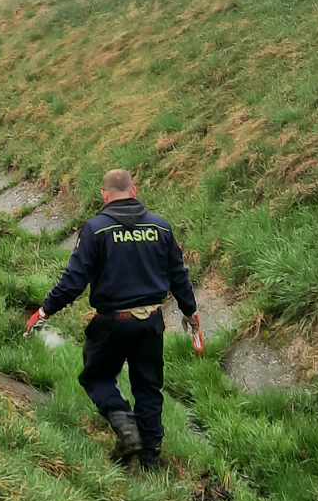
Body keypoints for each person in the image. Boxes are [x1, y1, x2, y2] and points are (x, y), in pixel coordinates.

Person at [26, 169, 203, 468]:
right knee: (148, 387)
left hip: (112, 322)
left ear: (104, 195)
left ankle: (125, 425)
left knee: (96, 377)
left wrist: (45, 310)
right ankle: (150, 458)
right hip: (151, 322)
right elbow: (178, 276)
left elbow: (74, 281)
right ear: (134, 191)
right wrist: (191, 312)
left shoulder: (95, 230)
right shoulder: (160, 227)